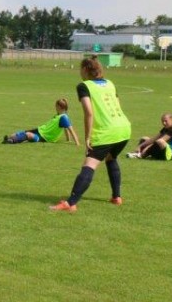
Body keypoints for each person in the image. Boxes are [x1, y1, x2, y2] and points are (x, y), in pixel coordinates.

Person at [50, 56, 131, 212]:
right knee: (111, 158)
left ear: (86, 69)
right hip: (124, 128)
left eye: (80, 69)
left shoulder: (84, 86)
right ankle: (117, 197)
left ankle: (70, 203)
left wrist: (87, 137)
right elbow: (118, 106)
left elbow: (89, 112)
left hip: (106, 132)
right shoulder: (110, 83)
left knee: (89, 165)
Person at [3, 98, 79, 145]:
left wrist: (77, 143)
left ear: (59, 106)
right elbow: (65, 128)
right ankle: (8, 138)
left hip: (44, 136)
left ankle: (11, 141)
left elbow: (70, 129)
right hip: (41, 130)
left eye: (56, 106)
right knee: (21, 132)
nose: (55, 107)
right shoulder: (58, 116)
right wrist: (68, 140)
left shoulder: (64, 117)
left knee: (28, 135)